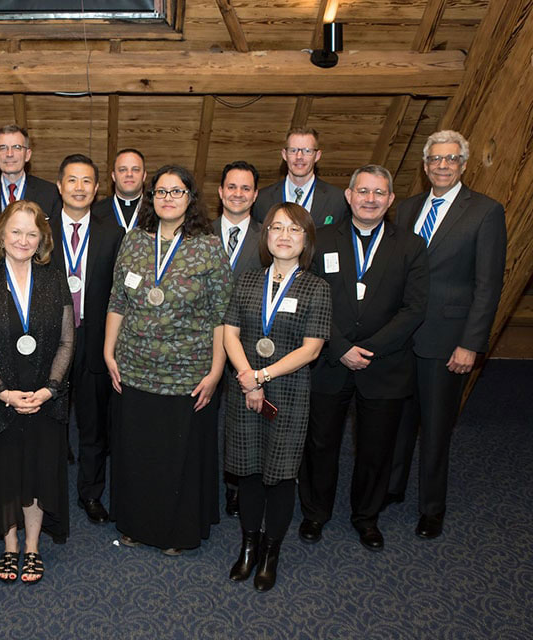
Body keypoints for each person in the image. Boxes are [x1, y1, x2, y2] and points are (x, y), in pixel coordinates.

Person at [298, 165, 428, 552]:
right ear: (349, 195)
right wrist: (340, 347)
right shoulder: (320, 239)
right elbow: (309, 296)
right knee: (320, 443)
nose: (370, 199)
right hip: (329, 359)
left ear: (390, 200)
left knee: (376, 446)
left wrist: (370, 348)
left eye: (379, 193)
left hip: (384, 364)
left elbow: (415, 308)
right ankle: (315, 513)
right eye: (363, 191)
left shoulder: (411, 245)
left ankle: (366, 517)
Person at [104, 165, 232, 556]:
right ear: (151, 197)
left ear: (191, 198)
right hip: (134, 368)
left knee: (176, 456)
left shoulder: (208, 247)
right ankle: (134, 523)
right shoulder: (134, 242)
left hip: (186, 373)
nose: (168, 199)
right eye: (161, 192)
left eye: (177, 192)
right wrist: (108, 351)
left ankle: (177, 531)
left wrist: (215, 371)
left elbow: (221, 316)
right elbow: (117, 300)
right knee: (137, 452)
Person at [387, 130, 507, 539]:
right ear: (424, 166)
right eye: (435, 159)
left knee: (436, 429)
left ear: (463, 165)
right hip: (402, 338)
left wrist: (471, 343)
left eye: (451, 159)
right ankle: (393, 487)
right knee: (399, 420)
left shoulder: (486, 212)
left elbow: (488, 285)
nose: (442, 165)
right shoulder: (406, 209)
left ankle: (432, 508)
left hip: (448, 339)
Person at [0, 200, 74, 585]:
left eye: (32, 233)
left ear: (41, 238)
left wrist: (50, 389)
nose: (23, 240)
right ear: (1, 235)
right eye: (16, 231)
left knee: (37, 473)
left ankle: (32, 547)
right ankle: (9, 547)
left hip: (45, 397)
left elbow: (66, 340)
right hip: (1, 399)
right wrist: (1, 392)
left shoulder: (54, 280)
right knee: (5, 474)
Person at [222, 202, 330, 592]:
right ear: (265, 236)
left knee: (281, 476)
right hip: (245, 389)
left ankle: (271, 551)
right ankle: (248, 546)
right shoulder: (248, 281)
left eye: (294, 230)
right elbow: (229, 333)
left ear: (306, 240)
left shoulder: (316, 287)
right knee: (248, 470)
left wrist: (261, 375)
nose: (284, 236)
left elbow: (311, 349)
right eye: (276, 228)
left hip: (288, 391)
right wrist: (249, 380)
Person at [51, 154, 123, 524]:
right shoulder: (40, 228)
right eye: (72, 180)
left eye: (87, 182)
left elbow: (119, 294)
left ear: (97, 189)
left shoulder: (113, 232)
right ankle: (46, 493)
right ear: (60, 185)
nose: (79, 188)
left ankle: (90, 493)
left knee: (94, 425)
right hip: (48, 345)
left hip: (95, 343)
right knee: (50, 424)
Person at [215, 160, 264, 519]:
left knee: (239, 419)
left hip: (247, 341)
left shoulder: (268, 237)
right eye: (231, 186)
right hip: (200, 339)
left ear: (255, 194)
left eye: (245, 188)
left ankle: (235, 485)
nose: (238, 194)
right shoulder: (197, 235)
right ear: (220, 192)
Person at [251, 127, 348, 229]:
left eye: (307, 151)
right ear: (284, 154)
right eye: (293, 150)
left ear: (317, 155)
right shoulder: (261, 199)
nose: (299, 157)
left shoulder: (338, 200)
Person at [0, 125, 61, 218]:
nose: (9, 154)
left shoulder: (50, 193)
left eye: (16, 147)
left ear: (27, 155)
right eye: (3, 148)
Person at [92, 148, 147, 233]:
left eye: (135, 169)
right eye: (122, 170)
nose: (129, 174)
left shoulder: (157, 212)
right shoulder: (95, 213)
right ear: (113, 176)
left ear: (144, 176)